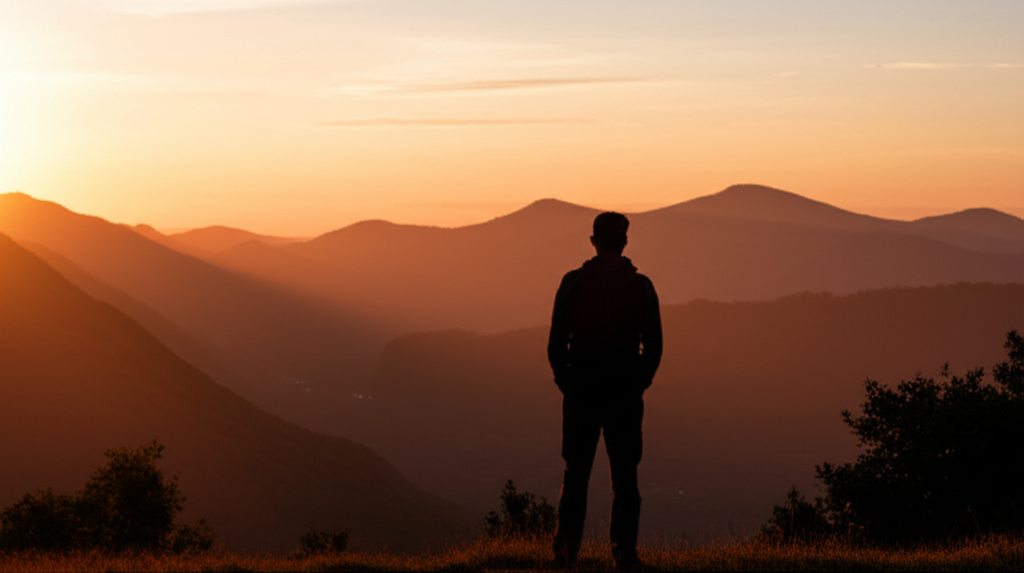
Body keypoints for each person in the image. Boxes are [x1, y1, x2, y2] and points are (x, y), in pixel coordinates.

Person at [547, 211, 662, 569]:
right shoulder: (641, 287)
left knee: (575, 475)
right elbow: (654, 346)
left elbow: (556, 344)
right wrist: (637, 382)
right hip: (625, 394)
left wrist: (567, 382)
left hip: (581, 391)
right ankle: (624, 554)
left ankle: (566, 554)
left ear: (594, 240)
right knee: (625, 478)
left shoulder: (573, 283)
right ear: (624, 241)